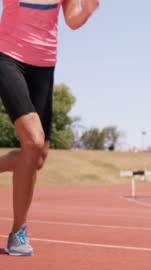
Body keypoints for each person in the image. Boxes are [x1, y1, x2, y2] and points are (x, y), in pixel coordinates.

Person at [0, 0, 99, 256]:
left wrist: (88, 10)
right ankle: (18, 232)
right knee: (32, 141)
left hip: (44, 66)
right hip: (8, 57)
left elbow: (72, 20)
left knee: (38, 157)